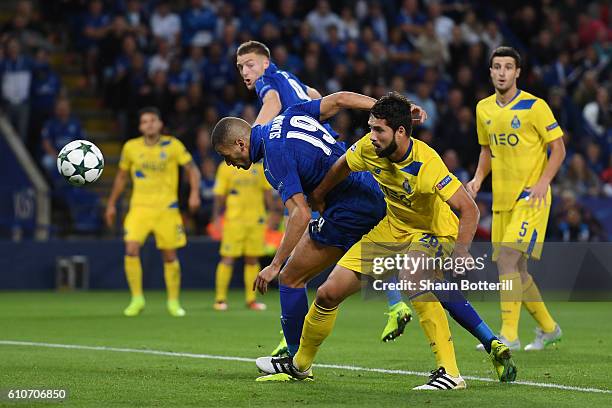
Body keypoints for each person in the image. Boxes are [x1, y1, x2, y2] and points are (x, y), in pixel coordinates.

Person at [254, 93, 516, 390]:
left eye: (379, 130)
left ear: (400, 132)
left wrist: (460, 251)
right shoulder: (369, 148)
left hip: (433, 231)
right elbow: (342, 164)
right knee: (328, 293)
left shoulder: (426, 162)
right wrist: (321, 195)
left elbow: (468, 208)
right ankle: (300, 365)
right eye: (370, 128)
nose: (372, 136)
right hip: (392, 228)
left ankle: (451, 373)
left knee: (414, 279)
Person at [212, 92, 431, 372]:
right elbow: (339, 99)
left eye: (225, 155)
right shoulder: (288, 116)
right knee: (332, 292)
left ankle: (294, 362)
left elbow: (301, 214)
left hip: (346, 209)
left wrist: (275, 265)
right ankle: (479, 339)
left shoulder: (273, 159)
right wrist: (388, 110)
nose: (228, 163)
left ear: (240, 143)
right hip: (372, 190)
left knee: (290, 277)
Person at [235, 40, 412, 348]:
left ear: (266, 63)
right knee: (360, 236)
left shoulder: (268, 84)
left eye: (250, 64)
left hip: (308, 165)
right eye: (240, 68)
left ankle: (291, 349)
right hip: (324, 149)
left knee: (296, 267)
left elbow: (273, 104)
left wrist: (254, 133)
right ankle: (395, 302)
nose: (246, 72)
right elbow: (319, 97)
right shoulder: (290, 77)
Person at [466, 46, 565, 351]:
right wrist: (478, 178)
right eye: (497, 67)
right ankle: (549, 328)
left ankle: (508, 335)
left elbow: (558, 148)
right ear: (491, 71)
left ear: (518, 72)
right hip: (502, 200)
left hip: (531, 197)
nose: (502, 72)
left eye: (508, 67)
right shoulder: (483, 108)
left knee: (507, 260)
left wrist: (543, 183)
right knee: (518, 271)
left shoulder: (535, 107)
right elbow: (486, 151)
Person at [105, 107, 201, 317]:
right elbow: (121, 177)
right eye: (144, 121)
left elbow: (192, 169)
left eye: (152, 120)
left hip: (167, 209)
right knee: (131, 248)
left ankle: (173, 302)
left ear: (160, 124)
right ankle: (137, 298)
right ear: (140, 126)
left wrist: (194, 193)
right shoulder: (131, 147)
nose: (149, 124)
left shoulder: (173, 145)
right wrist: (111, 203)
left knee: (169, 255)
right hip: (139, 208)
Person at [211, 160, 276, 311]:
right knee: (227, 258)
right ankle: (220, 299)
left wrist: (273, 213)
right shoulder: (224, 167)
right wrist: (216, 218)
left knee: (252, 259)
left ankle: (251, 300)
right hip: (234, 220)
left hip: (256, 220)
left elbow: (267, 192)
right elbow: (219, 194)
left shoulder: (260, 167)